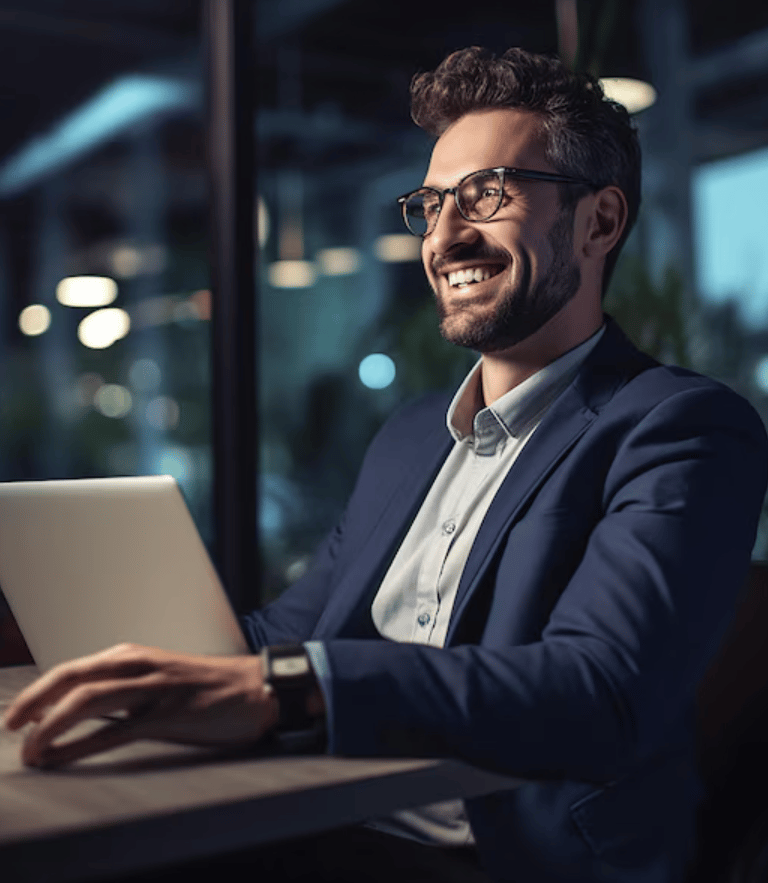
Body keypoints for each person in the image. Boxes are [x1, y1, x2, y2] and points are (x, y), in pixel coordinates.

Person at [4, 46, 768, 883]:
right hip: (321, 817)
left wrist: (292, 691)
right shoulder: (411, 435)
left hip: (504, 857)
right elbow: (293, 634)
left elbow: (598, 690)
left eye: (487, 194)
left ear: (600, 220)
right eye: (432, 203)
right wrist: (117, 659)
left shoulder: (680, 427)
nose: (444, 235)